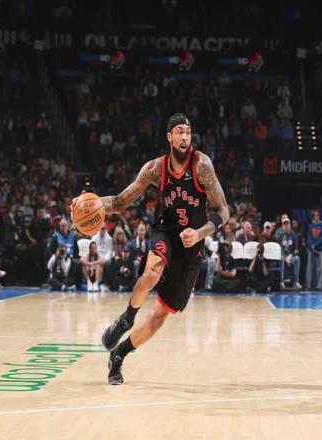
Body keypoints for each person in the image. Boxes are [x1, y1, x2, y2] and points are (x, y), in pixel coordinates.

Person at [73, 113, 229, 384]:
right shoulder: (156, 168)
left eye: (188, 132)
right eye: (179, 132)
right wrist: (89, 204)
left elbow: (223, 211)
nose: (185, 137)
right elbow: (120, 202)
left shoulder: (202, 165)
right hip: (166, 231)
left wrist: (200, 233)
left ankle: (119, 355)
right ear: (169, 137)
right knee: (151, 272)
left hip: (192, 245)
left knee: (159, 317)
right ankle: (126, 319)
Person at [306, 209, 322, 290]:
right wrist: (311, 245)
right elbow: (309, 237)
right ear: (313, 216)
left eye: (318, 215)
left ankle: (319, 286)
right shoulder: (310, 226)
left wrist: (316, 245)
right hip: (311, 249)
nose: (317, 216)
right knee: (310, 268)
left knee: (319, 269)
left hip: (319, 249)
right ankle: (309, 285)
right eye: (315, 215)